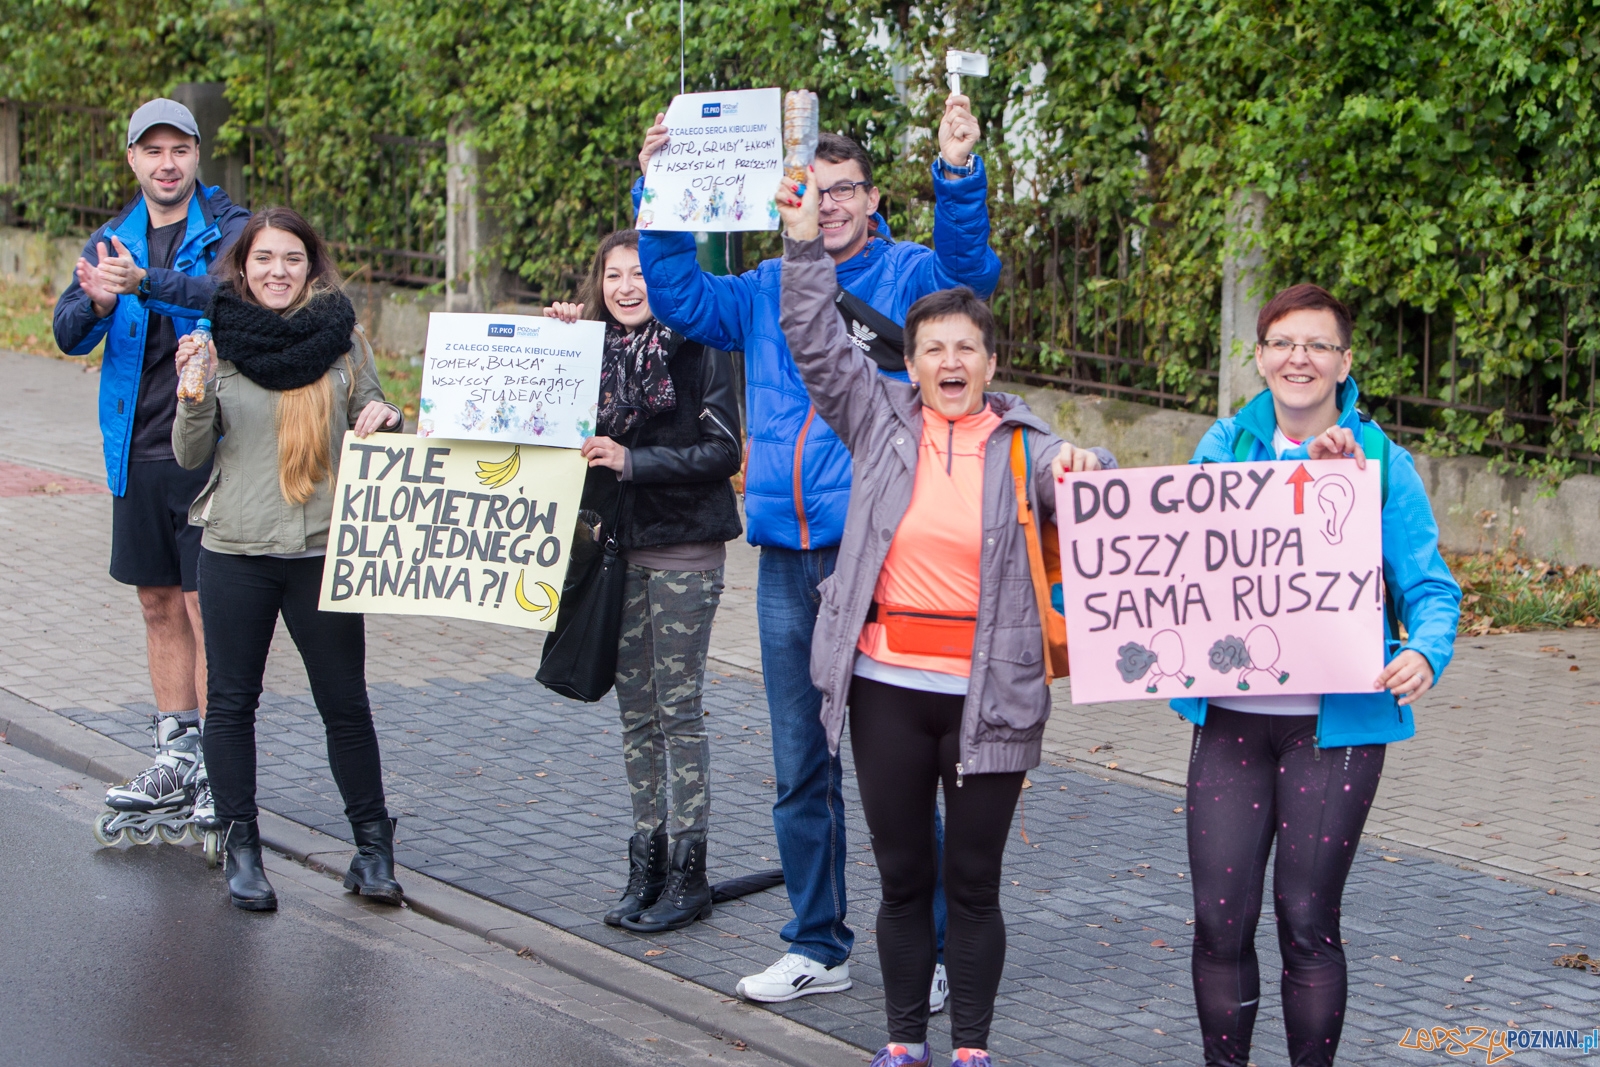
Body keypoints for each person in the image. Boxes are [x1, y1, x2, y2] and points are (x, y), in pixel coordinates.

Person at [635, 93, 999, 1008]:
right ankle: (816, 943)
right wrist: (664, 192)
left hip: (878, 557)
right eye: (813, 189)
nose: (828, 203)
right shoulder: (766, 284)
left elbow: (969, 274)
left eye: (845, 190)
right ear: (788, 197)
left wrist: (958, 172)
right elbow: (679, 298)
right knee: (801, 762)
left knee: (903, 772)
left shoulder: (911, 274)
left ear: (874, 201)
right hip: (785, 560)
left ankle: (937, 947)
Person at [775, 174, 1113, 1067]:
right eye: (933, 349)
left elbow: (1095, 489)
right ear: (912, 362)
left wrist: (1089, 464)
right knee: (900, 879)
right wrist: (803, 244)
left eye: (966, 348)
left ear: (991, 366)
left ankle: (970, 1048)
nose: (950, 362)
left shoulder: (1026, 446)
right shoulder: (877, 418)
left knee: (971, 883)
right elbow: (812, 337)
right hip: (887, 689)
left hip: (988, 697)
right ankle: (902, 1043)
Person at [1172, 284, 1461, 1066]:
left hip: (1335, 728)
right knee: (1219, 923)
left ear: (1344, 361)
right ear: (1261, 355)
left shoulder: (1382, 462)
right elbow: (1171, 559)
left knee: (1306, 921)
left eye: (1317, 345)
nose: (1298, 358)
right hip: (1231, 718)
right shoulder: (1223, 446)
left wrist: (1425, 651)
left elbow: (1430, 588)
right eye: (1282, 343)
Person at [171, 207, 404, 911]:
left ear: (311, 266)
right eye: (264, 259)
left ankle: (373, 851)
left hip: (323, 549)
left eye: (292, 259)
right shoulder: (214, 342)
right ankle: (243, 849)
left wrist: (388, 419)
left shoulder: (343, 340)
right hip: (236, 549)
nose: (278, 271)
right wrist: (191, 395)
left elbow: (375, 416)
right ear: (243, 268)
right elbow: (189, 454)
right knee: (231, 703)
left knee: (345, 703)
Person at [53, 98, 250, 838]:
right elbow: (67, 332)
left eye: (180, 150)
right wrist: (98, 303)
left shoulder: (231, 232)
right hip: (135, 454)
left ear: (198, 155)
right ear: (133, 159)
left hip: (210, 453)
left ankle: (221, 771)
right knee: (158, 604)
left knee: (207, 608)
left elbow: (239, 302)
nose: (168, 164)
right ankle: (177, 755)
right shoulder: (113, 239)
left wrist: (145, 285)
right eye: (153, 151)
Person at [543, 229, 743, 932]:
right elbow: (543, 424)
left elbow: (724, 449)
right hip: (617, 553)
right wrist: (555, 346)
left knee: (677, 712)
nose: (627, 287)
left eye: (640, 274)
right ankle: (646, 864)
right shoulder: (590, 349)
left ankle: (690, 872)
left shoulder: (700, 342)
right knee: (636, 714)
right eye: (613, 275)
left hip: (684, 548)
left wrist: (633, 463)